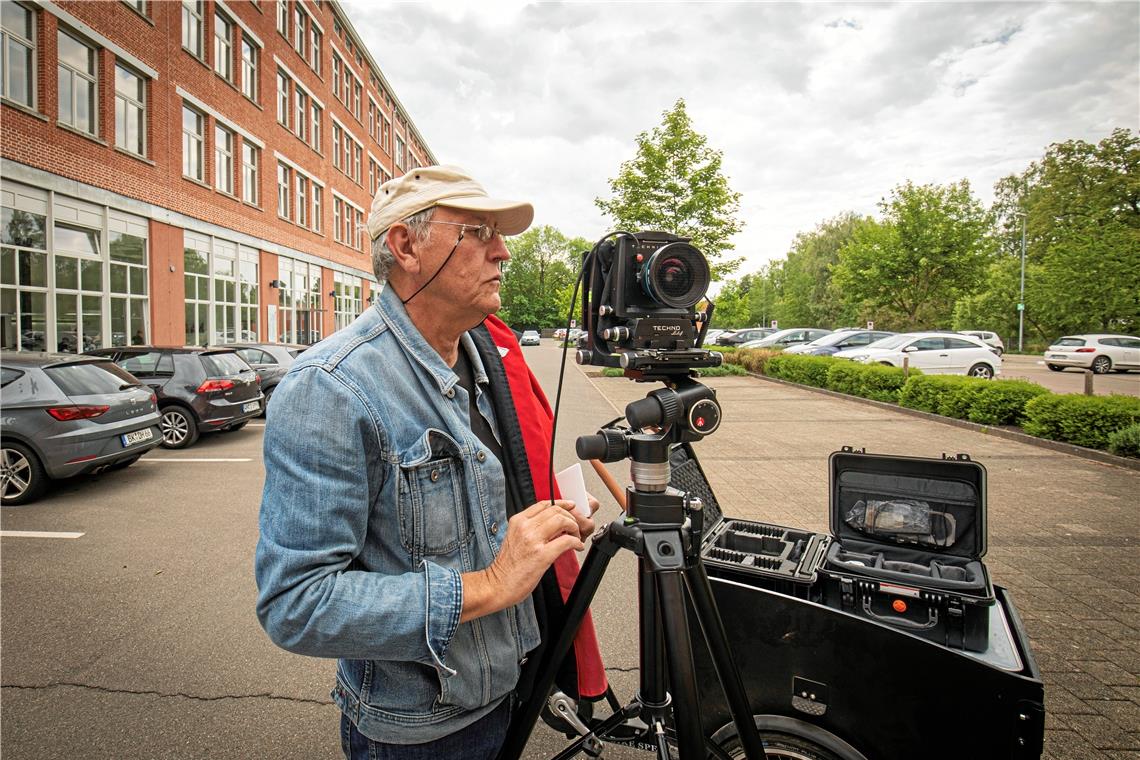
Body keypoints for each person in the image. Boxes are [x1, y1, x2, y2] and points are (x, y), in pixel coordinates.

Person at [255, 166, 607, 760]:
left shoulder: (488, 359)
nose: (502, 252)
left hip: (510, 690)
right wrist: (491, 585)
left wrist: (544, 522)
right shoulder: (332, 388)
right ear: (406, 245)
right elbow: (297, 603)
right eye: (478, 231)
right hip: (422, 733)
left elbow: (480, 517)